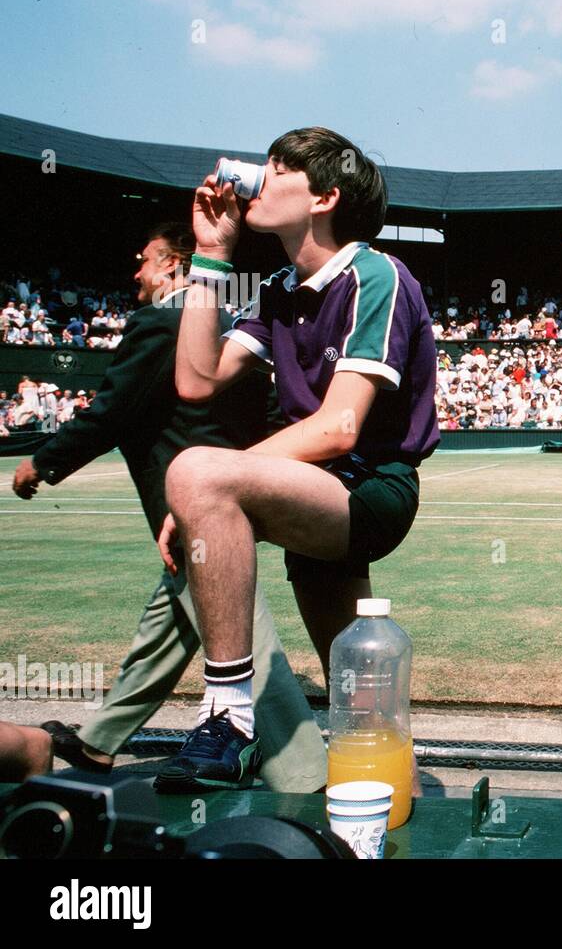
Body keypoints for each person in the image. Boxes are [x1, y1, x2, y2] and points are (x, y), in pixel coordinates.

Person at [156, 126, 439, 793]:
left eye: (279, 167)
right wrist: (211, 254)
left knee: (196, 469)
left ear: (325, 196)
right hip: (312, 490)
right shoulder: (280, 286)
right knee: (366, 717)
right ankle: (394, 797)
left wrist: (214, 483)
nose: (258, 175)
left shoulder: (377, 275)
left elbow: (340, 425)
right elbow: (196, 377)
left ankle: (229, 720)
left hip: (370, 487)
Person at [11, 224, 326, 792]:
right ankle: (98, 743)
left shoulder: (160, 323)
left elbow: (108, 414)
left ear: (177, 266)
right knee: (172, 626)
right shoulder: (231, 329)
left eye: (146, 261)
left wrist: (43, 462)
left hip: (191, 513)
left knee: (241, 644)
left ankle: (307, 777)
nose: (137, 274)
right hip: (225, 504)